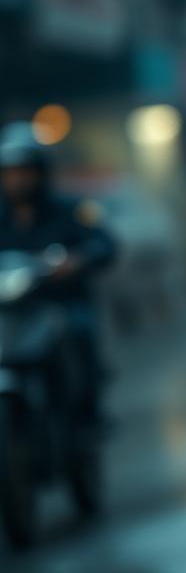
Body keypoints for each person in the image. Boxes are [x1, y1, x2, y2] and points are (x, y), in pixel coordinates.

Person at [0, 120, 115, 423]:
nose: (18, 180)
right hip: (11, 313)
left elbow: (104, 243)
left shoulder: (70, 211)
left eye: (24, 171)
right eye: (10, 173)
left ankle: (88, 414)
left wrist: (78, 260)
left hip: (59, 306)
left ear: (40, 172)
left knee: (79, 331)